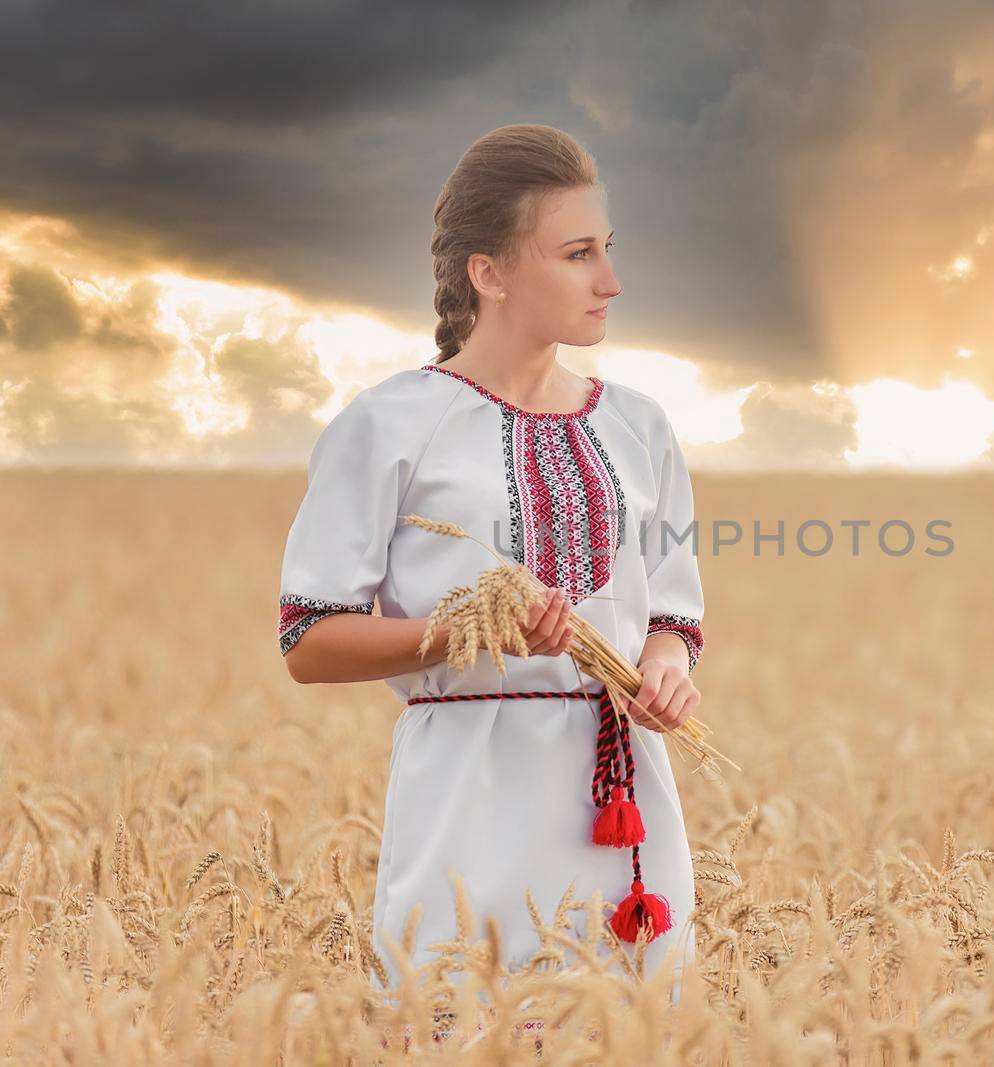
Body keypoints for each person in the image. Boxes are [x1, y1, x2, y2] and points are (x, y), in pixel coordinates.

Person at [276, 125, 705, 1024]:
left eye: (608, 250)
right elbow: (308, 639)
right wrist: (472, 629)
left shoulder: (640, 425)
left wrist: (665, 669)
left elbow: (670, 607)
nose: (610, 282)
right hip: (471, 796)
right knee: (463, 1022)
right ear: (490, 272)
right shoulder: (389, 424)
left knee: (633, 1032)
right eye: (578, 254)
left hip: (625, 799)